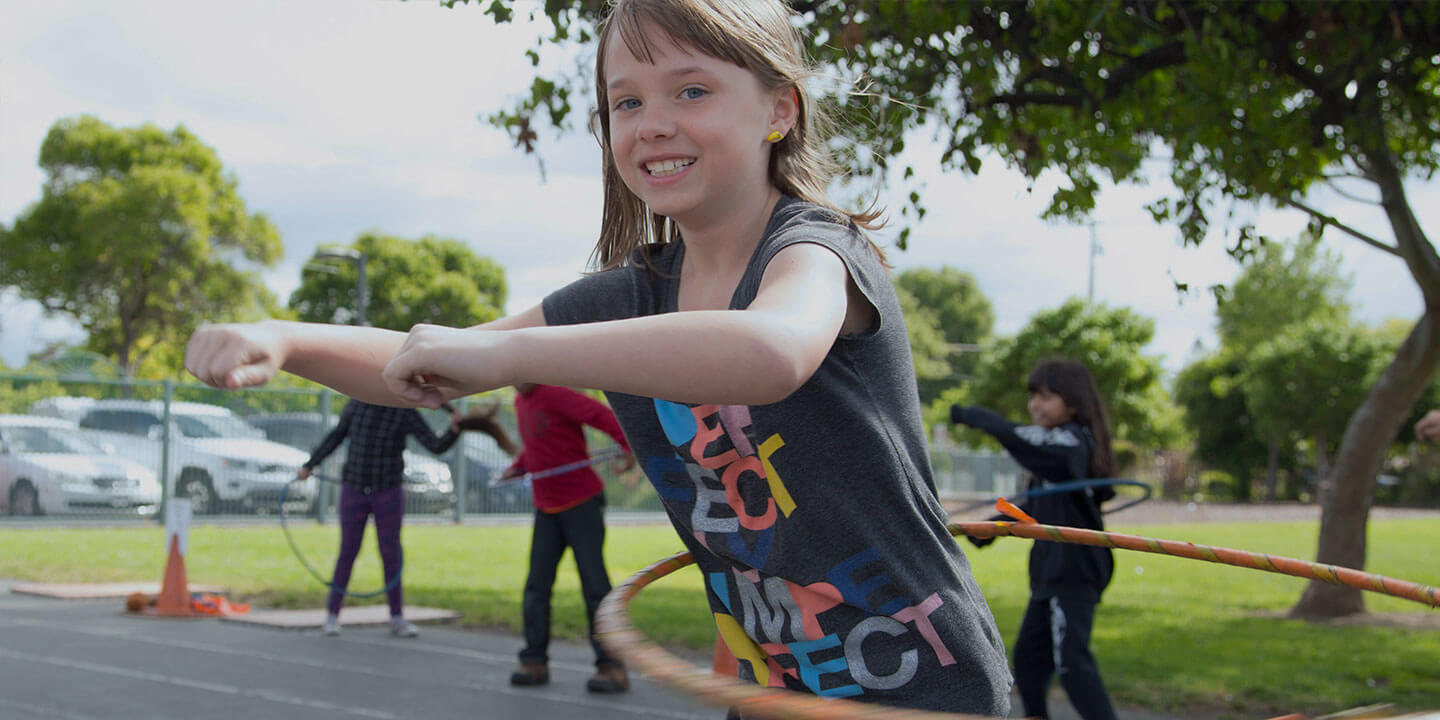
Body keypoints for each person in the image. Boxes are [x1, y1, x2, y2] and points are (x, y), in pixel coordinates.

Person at [183, 0, 1012, 713]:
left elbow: (769, 350)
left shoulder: (813, 252)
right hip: (783, 687)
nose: (653, 123)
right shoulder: (632, 293)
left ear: (779, 110)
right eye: (625, 102)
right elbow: (424, 366)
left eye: (692, 89)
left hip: (924, 689)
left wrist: (514, 358)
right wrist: (285, 339)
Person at [950, 358, 1119, 720]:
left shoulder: (1074, 443)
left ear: (1073, 403)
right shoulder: (1055, 456)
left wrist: (972, 415)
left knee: (1072, 664)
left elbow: (1027, 440)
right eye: (1033, 397)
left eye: (1046, 397)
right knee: (1028, 663)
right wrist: (992, 527)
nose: (1035, 406)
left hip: (1075, 570)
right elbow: (1035, 506)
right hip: (1049, 572)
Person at [499, 383, 636, 693]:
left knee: (595, 586)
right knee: (537, 585)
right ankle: (534, 661)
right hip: (547, 507)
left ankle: (612, 665)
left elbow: (601, 414)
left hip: (581, 503)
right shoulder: (522, 402)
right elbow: (538, 449)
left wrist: (628, 446)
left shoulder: (556, 393)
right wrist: (517, 468)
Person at [298, 398, 461, 638]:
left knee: (391, 553)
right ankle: (332, 615)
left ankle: (397, 617)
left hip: (388, 491)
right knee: (348, 551)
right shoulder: (357, 404)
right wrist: (310, 465)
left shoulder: (404, 411)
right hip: (354, 488)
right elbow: (336, 436)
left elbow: (435, 445)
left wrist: (454, 430)